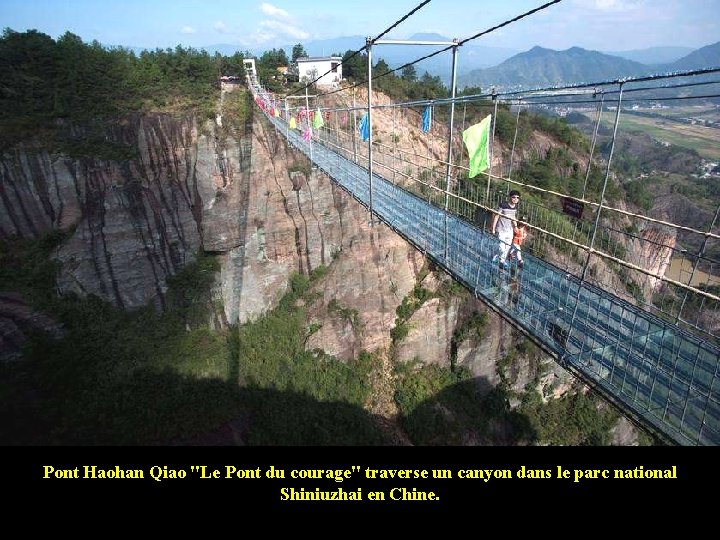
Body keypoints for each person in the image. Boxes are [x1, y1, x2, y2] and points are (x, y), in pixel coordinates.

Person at [491, 190, 520, 270]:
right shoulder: (503, 205)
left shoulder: (515, 207)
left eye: (517, 198)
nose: (515, 199)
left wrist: (516, 227)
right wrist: (493, 228)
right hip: (501, 229)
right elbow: (497, 216)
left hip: (509, 230)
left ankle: (501, 261)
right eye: (514, 197)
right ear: (510, 197)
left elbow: (513, 217)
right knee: (501, 247)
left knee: (507, 247)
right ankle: (498, 257)